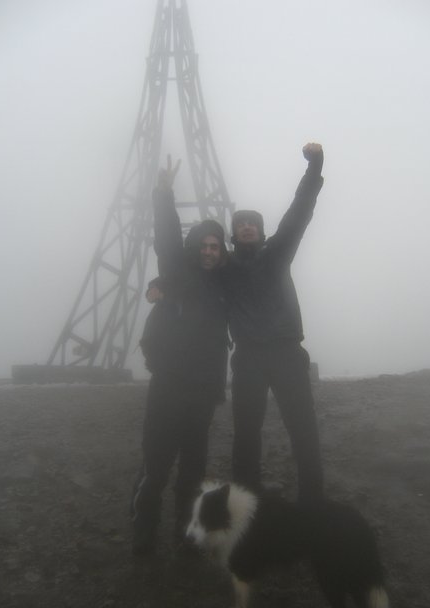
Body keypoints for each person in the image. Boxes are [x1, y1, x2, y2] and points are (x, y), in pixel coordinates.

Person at [130, 157, 229, 555]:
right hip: (168, 385)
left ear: (221, 251)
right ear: (194, 248)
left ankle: (184, 536)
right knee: (156, 467)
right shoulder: (178, 269)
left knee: (191, 472)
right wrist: (163, 194)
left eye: (214, 246)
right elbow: (167, 237)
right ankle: (143, 529)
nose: (208, 251)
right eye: (203, 245)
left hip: (203, 391)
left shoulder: (225, 281)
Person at [224, 142, 325, 510]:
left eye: (253, 223)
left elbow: (298, 213)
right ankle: (245, 500)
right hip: (249, 357)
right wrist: (161, 285)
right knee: (246, 433)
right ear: (233, 235)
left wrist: (314, 169)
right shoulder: (225, 270)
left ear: (261, 232)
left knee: (303, 429)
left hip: (286, 352)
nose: (247, 227)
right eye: (241, 224)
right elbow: (191, 269)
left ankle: (313, 501)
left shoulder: (277, 254)